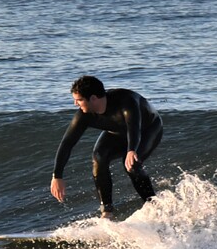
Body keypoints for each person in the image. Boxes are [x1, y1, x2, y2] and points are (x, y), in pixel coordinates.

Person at [50, 75, 163, 219]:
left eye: (79, 100)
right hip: (117, 133)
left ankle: (153, 205)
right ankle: (107, 212)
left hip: (148, 129)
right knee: (99, 157)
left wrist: (131, 150)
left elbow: (134, 128)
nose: (75, 104)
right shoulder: (83, 115)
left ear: (93, 98)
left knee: (131, 164)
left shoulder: (126, 101)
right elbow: (67, 144)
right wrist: (57, 175)